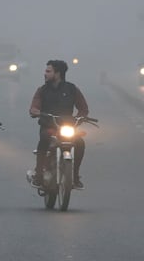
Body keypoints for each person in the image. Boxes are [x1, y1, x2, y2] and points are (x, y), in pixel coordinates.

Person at [29, 60, 89, 189]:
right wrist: (35, 111)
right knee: (44, 139)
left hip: (67, 128)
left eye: (48, 71)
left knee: (80, 143)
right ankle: (38, 175)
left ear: (58, 73)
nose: (45, 74)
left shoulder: (72, 89)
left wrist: (80, 117)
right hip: (49, 128)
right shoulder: (42, 90)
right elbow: (34, 106)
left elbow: (83, 108)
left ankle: (75, 176)